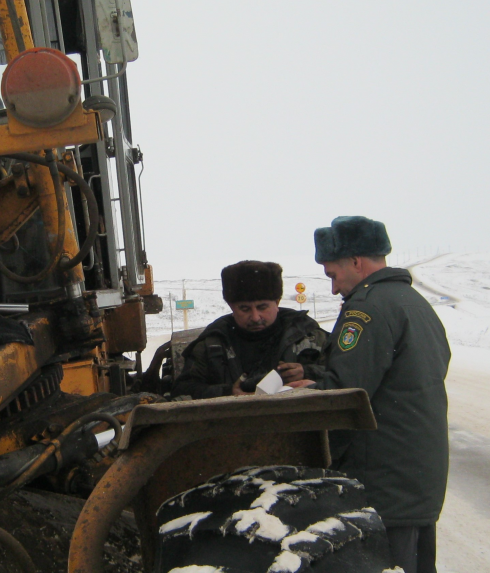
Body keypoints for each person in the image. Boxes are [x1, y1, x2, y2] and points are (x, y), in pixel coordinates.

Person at [290, 216, 450, 573]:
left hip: (383, 477)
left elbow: (346, 395)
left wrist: (304, 393)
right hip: (417, 473)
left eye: (332, 274)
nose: (333, 289)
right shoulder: (414, 303)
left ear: (357, 262)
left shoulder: (366, 309)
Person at [172, 260, 330, 399]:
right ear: (231, 307)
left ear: (277, 301)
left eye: (262, 307)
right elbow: (182, 390)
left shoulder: (309, 337)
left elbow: (345, 376)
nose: (255, 317)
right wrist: (228, 392)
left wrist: (307, 373)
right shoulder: (213, 344)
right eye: (245, 309)